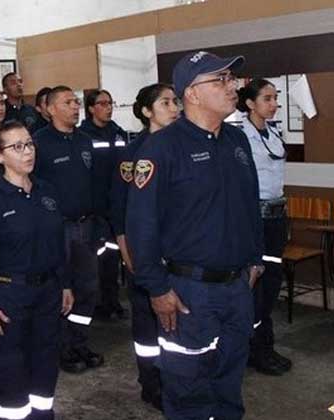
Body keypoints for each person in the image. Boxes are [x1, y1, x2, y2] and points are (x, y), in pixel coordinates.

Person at [126, 51, 263, 419]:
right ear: (193, 94)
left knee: (229, 384)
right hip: (188, 293)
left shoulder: (236, 140)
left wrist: (254, 260)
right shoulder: (162, 148)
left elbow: (250, 204)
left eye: (230, 78)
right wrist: (156, 288)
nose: (232, 86)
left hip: (237, 287)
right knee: (188, 391)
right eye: (220, 80)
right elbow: (142, 225)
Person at [0, 121, 74, 420]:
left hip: (48, 292)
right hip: (10, 295)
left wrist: (65, 284)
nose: (27, 152)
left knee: (46, 362)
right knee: (12, 369)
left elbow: (59, 243)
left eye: (30, 144)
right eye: (17, 146)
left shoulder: (46, 191)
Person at [109, 83, 180, 411]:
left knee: (177, 323)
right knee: (148, 324)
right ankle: (151, 383)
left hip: (179, 253)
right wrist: (126, 250)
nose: (174, 107)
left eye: (174, 101)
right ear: (146, 111)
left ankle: (178, 379)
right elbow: (120, 206)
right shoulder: (135, 151)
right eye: (165, 102)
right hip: (144, 250)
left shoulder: (182, 146)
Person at [32, 85, 103, 374]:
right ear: (50, 109)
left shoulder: (85, 140)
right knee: (61, 292)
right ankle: (61, 348)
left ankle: (79, 342)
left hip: (86, 225)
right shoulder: (39, 143)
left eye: (76, 101)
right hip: (57, 229)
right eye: (68, 102)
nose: (75, 106)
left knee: (88, 289)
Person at [237, 78, 292, 376]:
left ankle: (263, 345)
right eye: (267, 99)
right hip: (254, 218)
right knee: (255, 287)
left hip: (276, 217)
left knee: (270, 285)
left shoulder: (273, 132)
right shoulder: (239, 135)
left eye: (275, 98)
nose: (274, 104)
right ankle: (255, 349)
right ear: (250, 103)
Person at [80, 89, 129, 321]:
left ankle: (113, 301)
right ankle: (100, 304)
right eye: (102, 103)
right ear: (91, 108)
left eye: (110, 103)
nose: (108, 107)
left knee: (114, 257)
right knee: (98, 260)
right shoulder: (84, 135)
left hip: (116, 206)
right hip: (96, 208)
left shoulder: (118, 133)